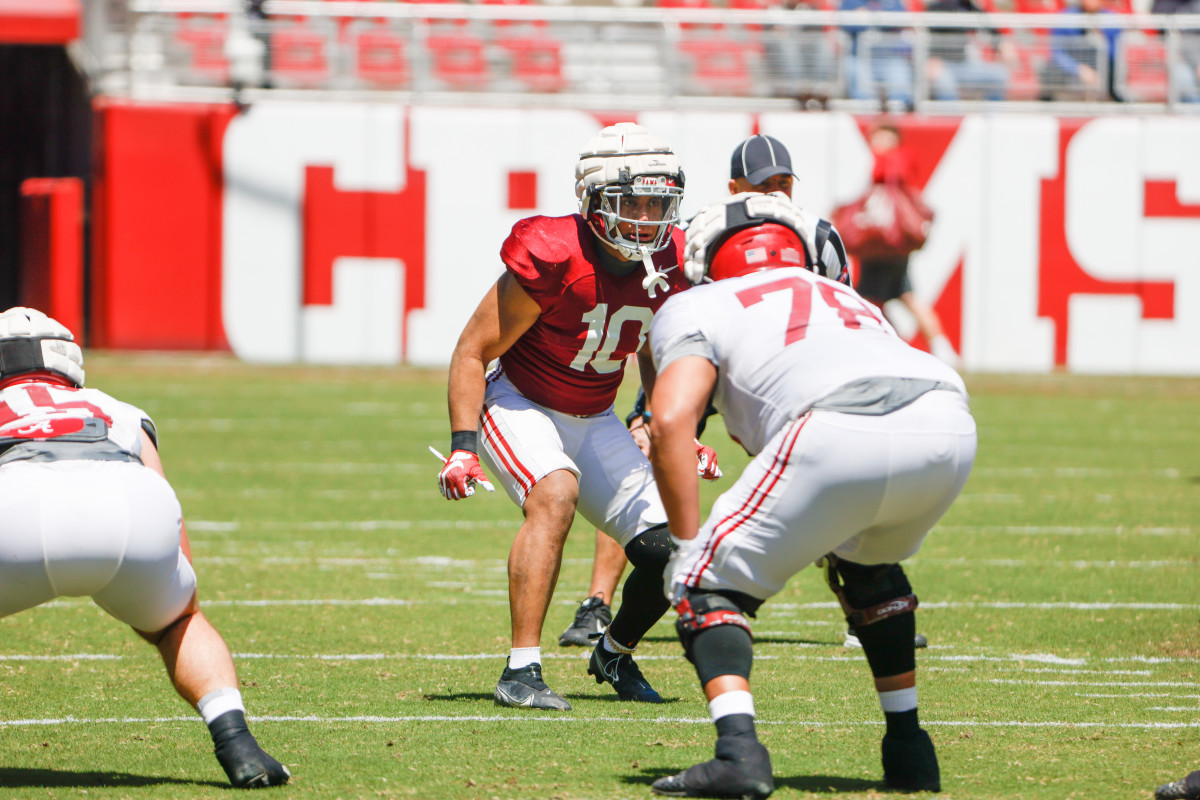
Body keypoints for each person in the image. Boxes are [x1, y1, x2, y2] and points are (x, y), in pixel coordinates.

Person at [645, 192, 976, 798]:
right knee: (868, 565)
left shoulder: (697, 303)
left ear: (706, 258)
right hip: (948, 420)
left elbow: (669, 421)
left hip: (836, 425)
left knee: (703, 583)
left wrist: (688, 545)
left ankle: (738, 754)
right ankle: (909, 750)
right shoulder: (850, 298)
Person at [438, 122, 706, 710]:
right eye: (632, 200)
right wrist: (462, 443)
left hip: (596, 415)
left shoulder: (673, 258)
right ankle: (521, 670)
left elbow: (657, 351)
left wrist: (673, 427)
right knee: (555, 494)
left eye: (658, 201)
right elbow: (471, 351)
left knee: (677, 547)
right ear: (592, 199)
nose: (646, 216)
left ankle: (614, 650)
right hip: (519, 403)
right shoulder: (555, 252)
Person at [561, 132, 849, 651]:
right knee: (639, 454)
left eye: (783, 183)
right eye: (763, 184)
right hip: (699, 363)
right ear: (735, 186)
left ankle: (864, 606)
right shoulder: (698, 232)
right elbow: (660, 307)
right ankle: (596, 605)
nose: (775, 194)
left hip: (776, 376)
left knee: (829, 466)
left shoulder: (818, 237)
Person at [0, 307, 290, 789]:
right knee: (180, 621)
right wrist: (174, 601)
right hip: (130, 508)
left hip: (16, 507)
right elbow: (165, 500)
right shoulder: (116, 407)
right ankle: (238, 742)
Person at [855, 123, 961, 369]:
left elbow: (888, 179)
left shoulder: (895, 159)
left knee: (875, 300)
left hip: (886, 245)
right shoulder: (891, 160)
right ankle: (927, 345)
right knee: (898, 296)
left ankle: (913, 345)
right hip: (884, 245)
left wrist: (882, 157)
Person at [925, 0, 1016, 101]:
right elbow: (927, 36)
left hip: (965, 64)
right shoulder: (938, 7)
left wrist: (1001, 44)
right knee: (944, 83)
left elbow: (990, 28)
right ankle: (952, 116)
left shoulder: (969, 6)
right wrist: (931, 58)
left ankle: (992, 116)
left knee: (999, 75)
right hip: (943, 65)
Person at [1041, 0, 1122, 101]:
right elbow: (1056, 52)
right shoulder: (1066, 18)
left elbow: (1114, 53)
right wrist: (1077, 69)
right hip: (1069, 72)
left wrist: (1100, 39)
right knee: (1049, 70)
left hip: (1099, 72)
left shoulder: (1110, 19)